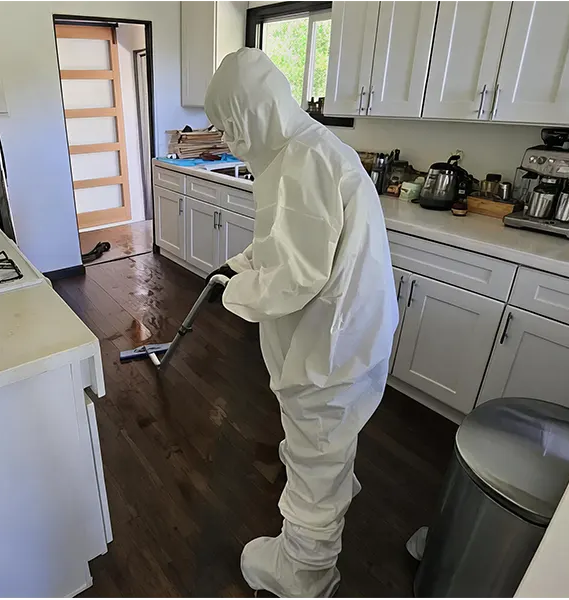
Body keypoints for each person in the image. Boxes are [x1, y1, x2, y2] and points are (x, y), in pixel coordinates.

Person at [203, 48, 398, 599]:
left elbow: (294, 276)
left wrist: (236, 289)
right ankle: (334, 482)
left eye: (227, 127)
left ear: (249, 114)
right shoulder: (305, 148)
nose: (227, 139)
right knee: (328, 435)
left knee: (317, 442)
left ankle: (306, 573)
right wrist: (244, 262)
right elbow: (289, 241)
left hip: (329, 343)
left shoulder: (302, 161)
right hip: (349, 328)